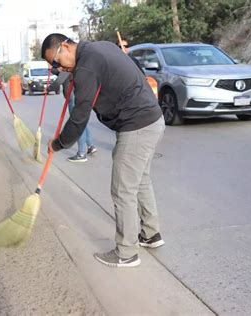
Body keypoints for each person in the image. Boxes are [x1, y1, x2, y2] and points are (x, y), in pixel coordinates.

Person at [42, 33, 165, 268]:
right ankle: (151, 234)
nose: (58, 68)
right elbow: (136, 68)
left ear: (65, 47)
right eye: (53, 66)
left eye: (56, 63)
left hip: (137, 125)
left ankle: (126, 252)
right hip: (151, 119)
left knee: (122, 190)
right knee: (140, 181)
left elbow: (79, 117)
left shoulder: (87, 65)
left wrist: (58, 144)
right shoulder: (102, 47)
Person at [48, 68, 97, 162]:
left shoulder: (67, 67)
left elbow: (58, 81)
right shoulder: (70, 65)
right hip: (78, 95)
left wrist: (48, 89)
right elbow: (58, 72)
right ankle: (90, 146)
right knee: (81, 122)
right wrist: (51, 69)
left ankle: (81, 153)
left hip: (73, 97)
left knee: (76, 124)